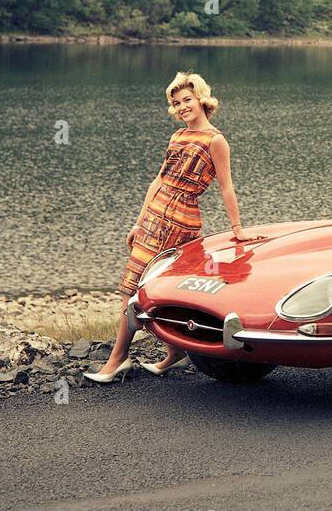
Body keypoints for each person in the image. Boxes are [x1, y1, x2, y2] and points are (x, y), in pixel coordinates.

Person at [84, 71, 258, 384]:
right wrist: (139, 221)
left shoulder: (215, 140)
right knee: (131, 288)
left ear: (201, 100)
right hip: (154, 218)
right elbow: (159, 180)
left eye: (186, 100)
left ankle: (118, 358)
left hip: (182, 220)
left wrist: (238, 228)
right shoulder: (177, 137)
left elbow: (226, 187)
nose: (181, 107)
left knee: (158, 289)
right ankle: (172, 354)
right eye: (176, 103)